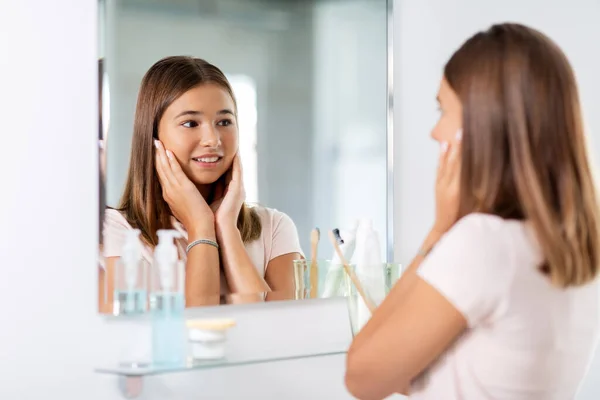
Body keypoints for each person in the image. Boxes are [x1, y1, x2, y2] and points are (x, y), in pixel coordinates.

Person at [345, 23, 600, 400]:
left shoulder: (484, 244)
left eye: (443, 110)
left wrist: (439, 231)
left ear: (485, 124)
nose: (435, 133)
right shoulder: (567, 244)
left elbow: (361, 377)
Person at [100, 56, 303, 311]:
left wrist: (227, 228)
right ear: (152, 138)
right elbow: (193, 330)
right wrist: (200, 226)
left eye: (224, 122)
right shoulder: (116, 233)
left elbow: (273, 331)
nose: (212, 139)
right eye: (190, 123)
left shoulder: (274, 228)